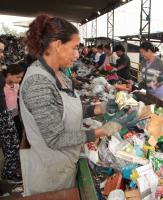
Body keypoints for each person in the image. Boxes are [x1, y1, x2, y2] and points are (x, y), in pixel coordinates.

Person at [21, 14, 123, 195]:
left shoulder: (60, 74)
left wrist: (101, 107)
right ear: (57, 45)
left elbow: (66, 109)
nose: (77, 54)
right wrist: (103, 130)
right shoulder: (38, 82)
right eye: (74, 47)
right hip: (50, 175)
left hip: (64, 165)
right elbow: (55, 138)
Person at [0, 40, 22, 183]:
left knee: (12, 144)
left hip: (8, 115)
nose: (2, 55)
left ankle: (10, 170)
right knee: (11, 145)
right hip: (3, 115)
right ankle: (8, 174)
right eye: (0, 51)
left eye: (2, 51)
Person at [3, 64, 25, 141]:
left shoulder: (16, 85)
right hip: (6, 116)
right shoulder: (3, 87)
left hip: (15, 114)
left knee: (19, 131)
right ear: (9, 75)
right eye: (17, 77)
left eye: (21, 77)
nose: (19, 79)